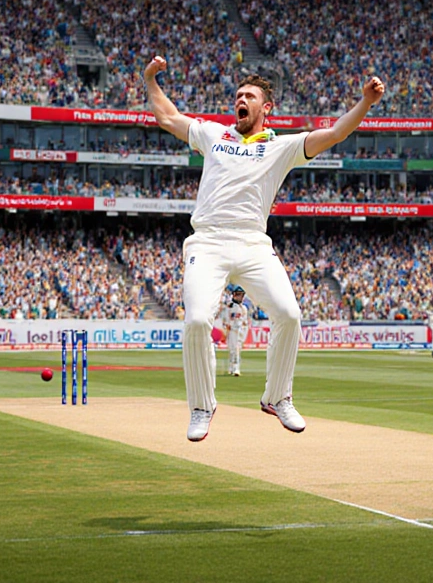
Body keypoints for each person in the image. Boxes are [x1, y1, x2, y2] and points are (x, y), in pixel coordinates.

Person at [143, 54, 385, 441]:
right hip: (207, 241)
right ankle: (203, 407)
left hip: (254, 242)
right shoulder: (214, 134)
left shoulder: (281, 147)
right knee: (198, 321)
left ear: (265, 107)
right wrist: (150, 80)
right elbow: (167, 118)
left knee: (289, 314)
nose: (240, 100)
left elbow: (336, 132)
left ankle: (277, 397)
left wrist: (365, 104)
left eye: (248, 96)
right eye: (237, 95)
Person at [220, 286, 250, 376]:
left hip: (239, 330)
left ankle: (236, 368)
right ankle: (231, 367)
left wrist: (244, 333)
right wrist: (226, 327)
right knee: (232, 349)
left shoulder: (244, 308)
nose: (240, 297)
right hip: (232, 330)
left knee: (237, 349)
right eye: (238, 295)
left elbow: (245, 322)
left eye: (241, 295)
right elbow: (225, 318)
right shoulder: (230, 307)